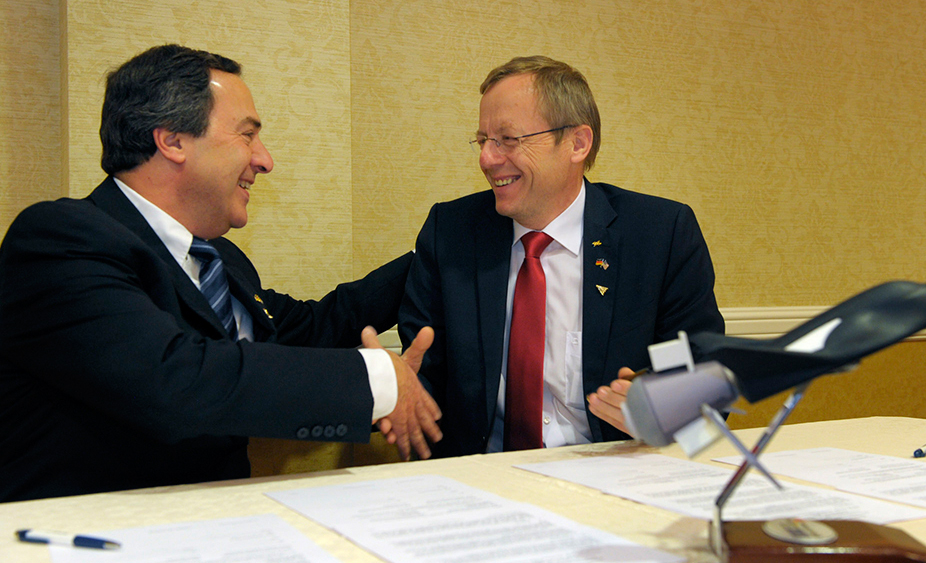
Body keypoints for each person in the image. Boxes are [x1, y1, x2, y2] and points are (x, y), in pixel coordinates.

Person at [0, 44, 440, 503]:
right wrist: (376, 379)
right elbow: (173, 380)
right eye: (247, 136)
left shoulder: (219, 260)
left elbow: (315, 325)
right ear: (172, 140)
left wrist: (438, 251)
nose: (264, 159)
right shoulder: (61, 240)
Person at [398, 56, 725, 458]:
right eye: (483, 140)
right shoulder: (452, 233)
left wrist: (660, 409)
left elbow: (705, 375)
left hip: (612, 475)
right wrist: (386, 388)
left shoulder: (659, 234)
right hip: (483, 481)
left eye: (508, 139)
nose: (486, 158)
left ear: (577, 143)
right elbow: (423, 379)